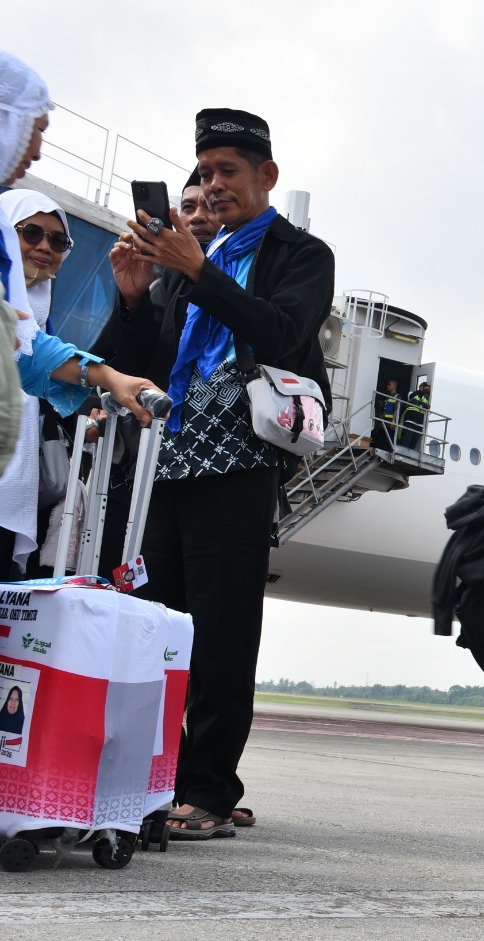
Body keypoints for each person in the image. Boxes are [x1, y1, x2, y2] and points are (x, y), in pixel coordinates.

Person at [101, 108, 336, 840]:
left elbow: (282, 333)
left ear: (267, 176)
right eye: (204, 173)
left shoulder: (300, 254)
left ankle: (207, 789)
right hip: (166, 462)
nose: (213, 185)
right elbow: (141, 364)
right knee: (156, 628)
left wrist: (198, 270)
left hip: (238, 464)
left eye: (227, 171)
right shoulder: (188, 263)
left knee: (222, 633)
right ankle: (154, 782)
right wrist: (135, 296)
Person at [1, 185, 158, 580]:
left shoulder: (38, 317)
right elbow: (35, 352)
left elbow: (34, 361)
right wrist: (109, 376)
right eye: (30, 233)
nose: (44, 247)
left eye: (58, 240)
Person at [401, 378, 430, 449]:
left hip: (419, 424)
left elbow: (423, 407)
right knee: (406, 441)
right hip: (410, 422)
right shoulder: (412, 393)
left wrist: (426, 406)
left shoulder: (426, 398)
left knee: (413, 444)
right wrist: (420, 391)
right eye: (425, 388)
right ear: (420, 387)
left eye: (427, 389)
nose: (426, 390)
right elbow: (410, 397)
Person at [373, 378, 400, 452]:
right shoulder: (388, 397)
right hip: (383, 422)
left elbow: (396, 410)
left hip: (389, 423)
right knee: (380, 440)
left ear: (394, 386)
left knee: (387, 441)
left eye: (389, 384)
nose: (387, 386)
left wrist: (393, 422)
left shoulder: (397, 397)